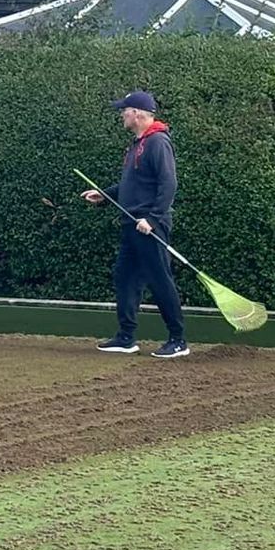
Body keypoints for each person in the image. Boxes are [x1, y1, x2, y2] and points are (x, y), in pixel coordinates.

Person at [81, 90, 189, 359]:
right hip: (132, 224)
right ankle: (126, 337)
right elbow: (132, 184)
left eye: (125, 111)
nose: (122, 115)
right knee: (125, 276)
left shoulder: (157, 142)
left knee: (160, 279)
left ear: (137, 114)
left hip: (149, 225)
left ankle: (178, 340)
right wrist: (105, 195)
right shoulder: (136, 145)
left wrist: (152, 219)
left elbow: (168, 183)